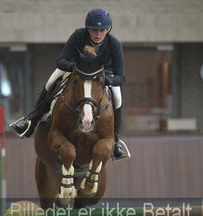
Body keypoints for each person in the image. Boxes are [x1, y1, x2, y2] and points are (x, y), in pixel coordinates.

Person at [10, 8, 129, 160]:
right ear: (88, 29)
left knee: (117, 99)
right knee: (50, 82)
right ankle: (30, 122)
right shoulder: (78, 36)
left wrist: (108, 81)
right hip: (77, 70)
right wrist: (75, 68)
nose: (98, 34)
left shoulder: (114, 44)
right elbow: (61, 61)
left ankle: (116, 142)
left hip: (103, 76)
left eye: (102, 30)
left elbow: (121, 77)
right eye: (94, 30)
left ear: (108, 29)